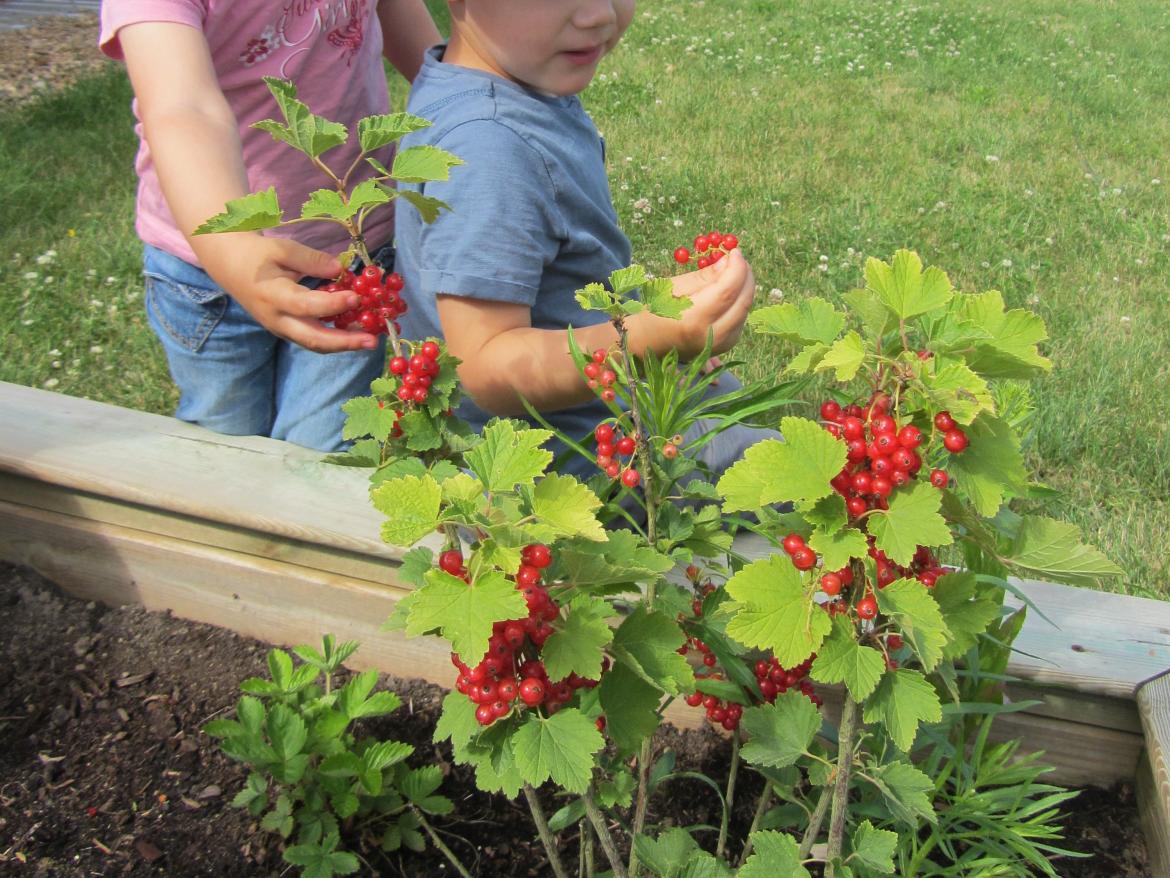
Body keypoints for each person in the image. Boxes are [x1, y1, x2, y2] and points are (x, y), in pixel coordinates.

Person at [394, 0, 777, 481]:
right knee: (813, 484)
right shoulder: (490, 146)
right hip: (577, 464)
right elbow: (485, 368)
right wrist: (645, 341)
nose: (599, 14)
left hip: (604, 406)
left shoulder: (503, 84)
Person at [98, 0, 440, 451]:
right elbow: (185, 109)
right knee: (224, 446)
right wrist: (233, 248)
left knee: (321, 451)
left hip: (349, 252)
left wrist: (461, 96)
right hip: (207, 276)